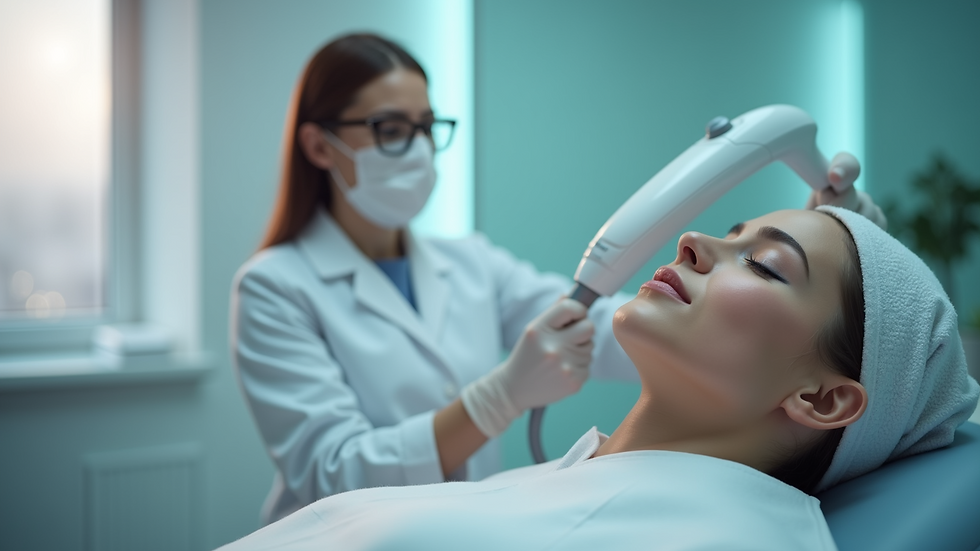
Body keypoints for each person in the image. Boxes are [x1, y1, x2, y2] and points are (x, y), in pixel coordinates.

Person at [229, 32, 882, 525]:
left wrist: (841, 239)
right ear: (319, 146)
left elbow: (596, 322)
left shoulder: (468, 261)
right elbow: (330, 474)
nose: (421, 149)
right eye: (392, 129)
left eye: (429, 128)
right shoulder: (273, 286)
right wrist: (497, 398)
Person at [219, 205, 979, 550]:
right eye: (734, 230)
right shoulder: (601, 487)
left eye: (766, 262)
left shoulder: (711, 534)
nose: (694, 238)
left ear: (821, 397)